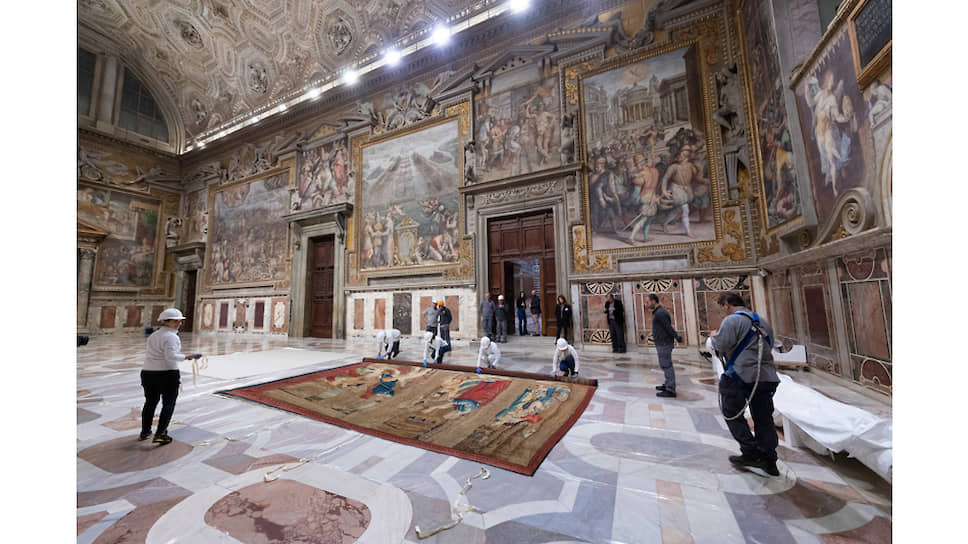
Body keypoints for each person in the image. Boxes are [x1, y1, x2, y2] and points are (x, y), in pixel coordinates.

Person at [711, 292, 781, 477]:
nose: (723, 312)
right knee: (764, 418)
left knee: (731, 412)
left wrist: (713, 337)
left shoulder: (732, 320)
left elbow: (720, 345)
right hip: (766, 376)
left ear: (727, 305)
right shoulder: (763, 322)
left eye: (722, 308)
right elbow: (768, 345)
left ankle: (751, 452)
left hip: (740, 375)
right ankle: (769, 459)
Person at [140, 308, 201, 445]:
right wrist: (188, 356)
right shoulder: (171, 337)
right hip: (166, 374)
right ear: (165, 322)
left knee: (150, 402)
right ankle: (161, 434)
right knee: (168, 403)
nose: (179, 324)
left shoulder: (154, 335)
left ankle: (145, 432)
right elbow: (170, 356)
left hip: (148, 373)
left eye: (180, 321)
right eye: (175, 321)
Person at [646, 294, 683, 398]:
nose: (646, 304)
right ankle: (667, 384)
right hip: (662, 342)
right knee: (665, 364)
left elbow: (668, 327)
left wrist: (676, 337)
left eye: (648, 302)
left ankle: (670, 389)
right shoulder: (659, 312)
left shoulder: (660, 313)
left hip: (664, 343)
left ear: (654, 301)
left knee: (667, 365)